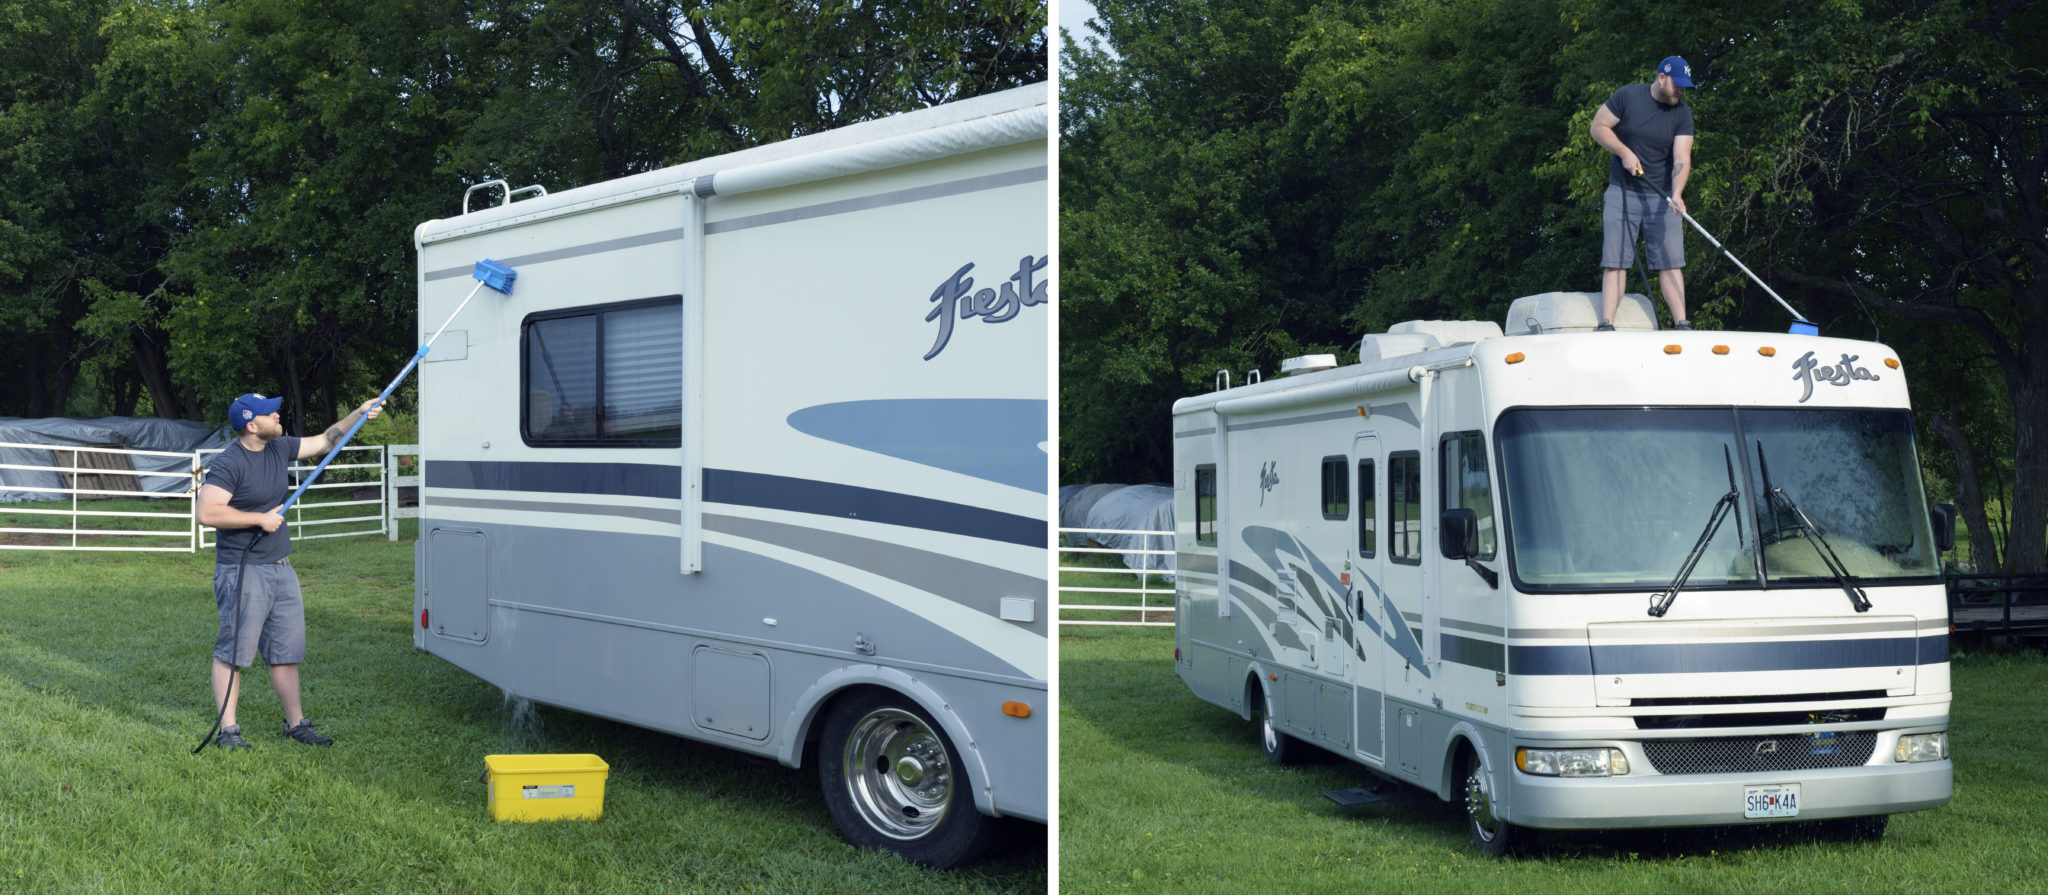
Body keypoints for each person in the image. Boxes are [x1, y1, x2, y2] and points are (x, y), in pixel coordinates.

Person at [196, 392, 382, 750]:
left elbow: (326, 440)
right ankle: (228, 732)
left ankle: (295, 724)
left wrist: (357, 412)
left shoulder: (279, 447)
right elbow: (207, 513)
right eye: (270, 413)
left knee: (285, 650)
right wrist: (258, 519)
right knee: (234, 652)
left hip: (281, 567)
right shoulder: (229, 463)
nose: (278, 414)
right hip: (242, 570)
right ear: (252, 425)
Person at [1590, 55, 1696, 331]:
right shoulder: (1628, 96)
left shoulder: (1682, 112)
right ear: (1662, 77)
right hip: (1623, 191)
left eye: (1685, 86)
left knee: (1671, 261)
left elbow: (1682, 157)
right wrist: (1624, 152)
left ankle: (1682, 324)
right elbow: (1598, 127)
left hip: (1662, 196)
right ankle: (1606, 324)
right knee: (1616, 260)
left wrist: (1677, 193)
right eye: (1678, 84)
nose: (1681, 91)